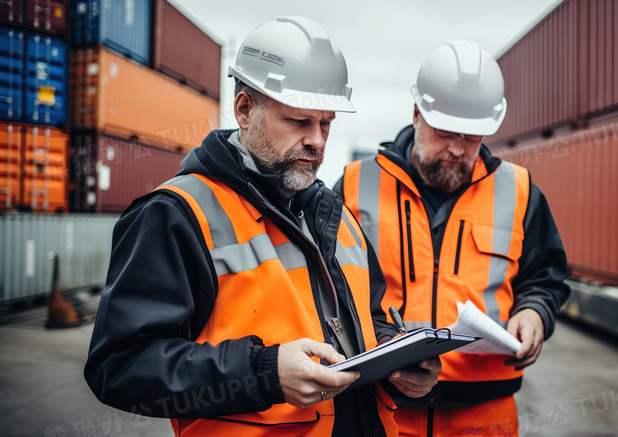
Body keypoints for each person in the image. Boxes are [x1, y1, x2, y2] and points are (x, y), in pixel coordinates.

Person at [84, 16, 440, 437]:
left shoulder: (337, 215)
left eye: (326, 123)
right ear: (245, 109)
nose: (318, 141)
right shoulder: (176, 214)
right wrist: (262, 373)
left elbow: (370, 318)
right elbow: (121, 366)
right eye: (299, 122)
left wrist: (396, 357)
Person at [335, 41, 571, 436]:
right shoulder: (356, 186)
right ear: (416, 114)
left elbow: (545, 276)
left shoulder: (519, 190)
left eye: (473, 137)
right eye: (445, 133)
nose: (458, 148)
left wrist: (534, 313)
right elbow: (326, 286)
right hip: (385, 410)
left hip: (486, 416)